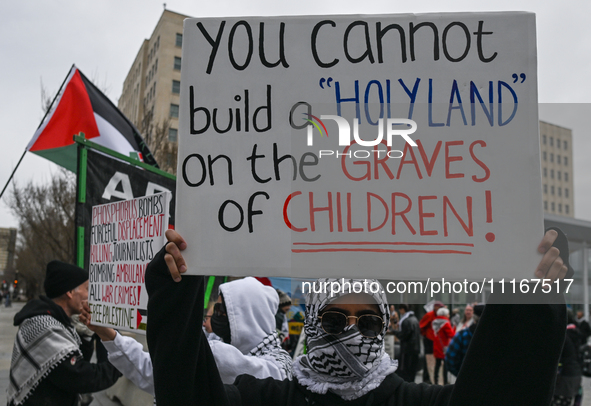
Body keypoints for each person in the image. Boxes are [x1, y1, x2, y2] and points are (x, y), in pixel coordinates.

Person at [144, 228, 568, 405]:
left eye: (366, 322)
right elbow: (190, 395)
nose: (351, 333)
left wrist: (528, 300)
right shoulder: (269, 398)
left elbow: (501, 394)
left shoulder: (413, 400)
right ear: (312, 324)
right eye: (333, 322)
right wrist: (174, 290)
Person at [80, 276, 293, 397]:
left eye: (220, 311)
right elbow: (156, 374)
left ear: (247, 315)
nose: (213, 317)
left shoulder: (279, 365)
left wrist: (179, 317)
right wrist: (108, 334)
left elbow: (229, 365)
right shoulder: (215, 344)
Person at [7, 260, 121, 406]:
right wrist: (121, 362)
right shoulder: (45, 327)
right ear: (70, 292)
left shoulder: (56, 321)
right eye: (87, 289)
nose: (90, 296)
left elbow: (75, 361)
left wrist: (85, 336)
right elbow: (81, 377)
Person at [445, 304, 483, 377]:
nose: (468, 312)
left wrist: (461, 375)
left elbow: (450, 360)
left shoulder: (464, 334)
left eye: (470, 310)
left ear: (473, 314)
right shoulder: (461, 324)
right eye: (467, 310)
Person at [391, 303, 420, 382]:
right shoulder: (415, 319)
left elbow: (404, 335)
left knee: (406, 370)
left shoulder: (406, 321)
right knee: (412, 370)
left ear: (403, 309)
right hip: (415, 348)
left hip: (407, 349)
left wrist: (394, 332)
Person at [419, 300, 444, 384]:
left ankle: (434, 378)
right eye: (439, 307)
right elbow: (421, 326)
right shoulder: (429, 315)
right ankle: (427, 378)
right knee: (428, 359)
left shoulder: (440, 316)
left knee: (436, 360)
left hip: (437, 341)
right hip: (429, 340)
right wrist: (426, 335)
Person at [432, 307, 455, 385]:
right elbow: (451, 334)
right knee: (445, 365)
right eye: (448, 314)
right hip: (444, 347)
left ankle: (435, 381)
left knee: (437, 364)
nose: (449, 315)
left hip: (436, 346)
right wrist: (454, 328)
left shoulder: (435, 321)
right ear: (445, 314)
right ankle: (445, 382)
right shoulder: (446, 323)